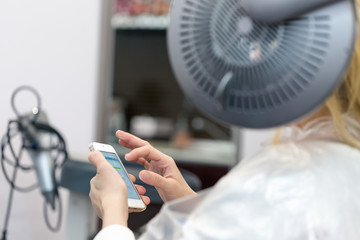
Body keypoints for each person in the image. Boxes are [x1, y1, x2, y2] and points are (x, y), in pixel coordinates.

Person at [88, 5, 360, 240]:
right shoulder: (343, 162)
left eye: (265, 44)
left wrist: (113, 214)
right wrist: (187, 201)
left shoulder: (283, 180)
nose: (255, 57)